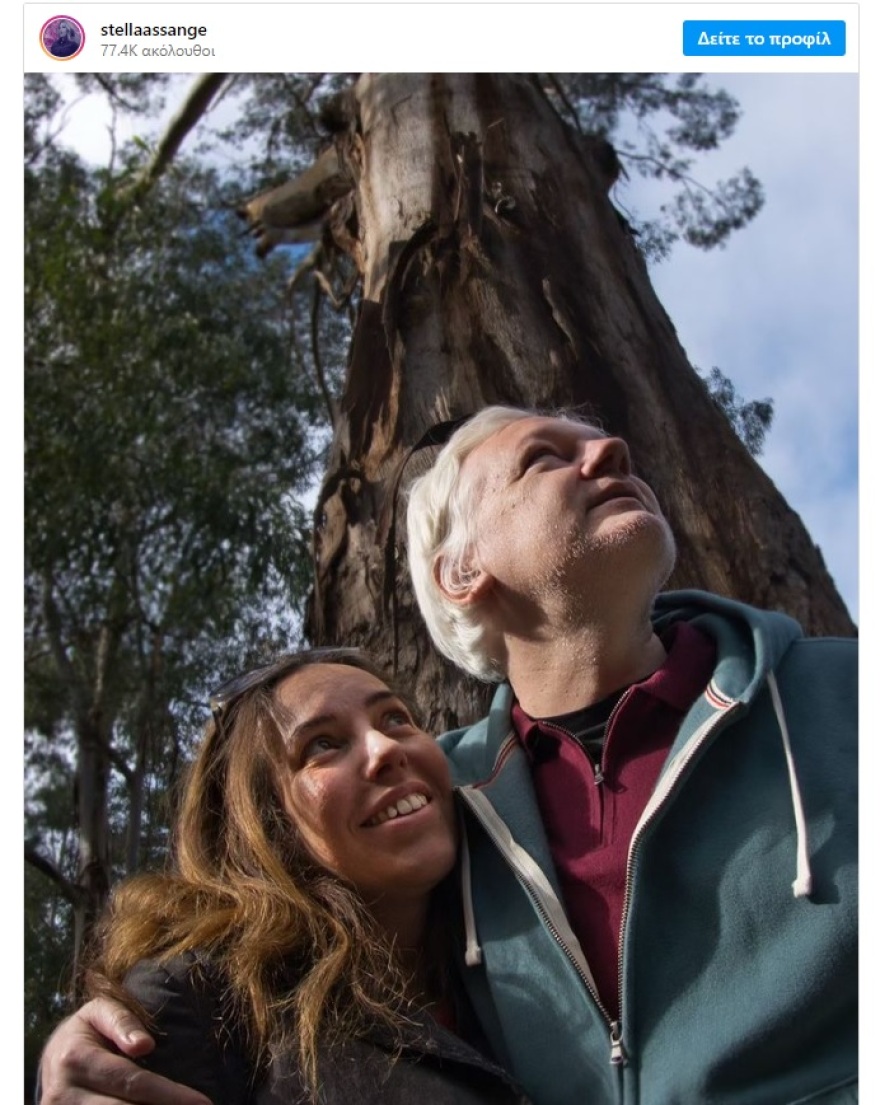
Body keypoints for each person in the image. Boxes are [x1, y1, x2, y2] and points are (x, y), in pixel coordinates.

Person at [38, 406, 857, 1105]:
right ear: (463, 570)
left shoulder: (844, 694)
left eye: (395, 720)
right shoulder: (454, 795)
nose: (613, 452)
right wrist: (101, 1040)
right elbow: (260, 930)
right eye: (544, 458)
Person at [44, 647, 528, 1105]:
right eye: (323, 745)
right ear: (264, 825)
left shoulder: (524, 931)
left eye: (396, 719)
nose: (385, 749)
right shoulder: (204, 1004)